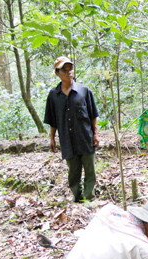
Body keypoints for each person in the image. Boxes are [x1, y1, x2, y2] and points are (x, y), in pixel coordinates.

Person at [44, 56, 100, 202]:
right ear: (57, 73)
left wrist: (95, 134)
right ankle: (77, 197)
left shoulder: (84, 91)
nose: (69, 72)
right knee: (73, 172)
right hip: (67, 140)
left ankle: (89, 198)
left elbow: (93, 115)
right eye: (64, 69)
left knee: (90, 170)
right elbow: (52, 120)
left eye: (70, 68)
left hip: (85, 138)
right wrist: (52, 138)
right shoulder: (53, 95)